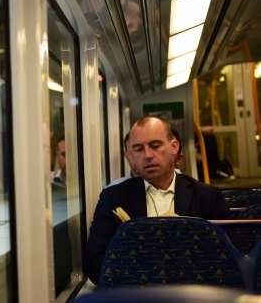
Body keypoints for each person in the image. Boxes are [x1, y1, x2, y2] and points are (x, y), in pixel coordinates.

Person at [84, 116, 231, 285]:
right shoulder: (113, 198)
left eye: (155, 146)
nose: (148, 155)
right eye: (138, 149)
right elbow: (95, 263)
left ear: (174, 147)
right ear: (131, 155)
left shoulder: (208, 197)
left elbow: (228, 259)